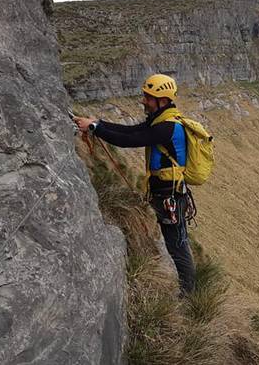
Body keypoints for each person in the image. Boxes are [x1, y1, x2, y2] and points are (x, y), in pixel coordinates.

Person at [73, 73, 196, 295]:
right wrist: (96, 124)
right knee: (176, 242)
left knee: (177, 245)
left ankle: (189, 294)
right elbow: (132, 131)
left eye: (148, 97)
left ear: (162, 100)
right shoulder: (160, 121)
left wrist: (95, 128)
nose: (144, 101)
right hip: (167, 194)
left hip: (170, 197)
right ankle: (188, 291)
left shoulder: (166, 127)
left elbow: (130, 140)